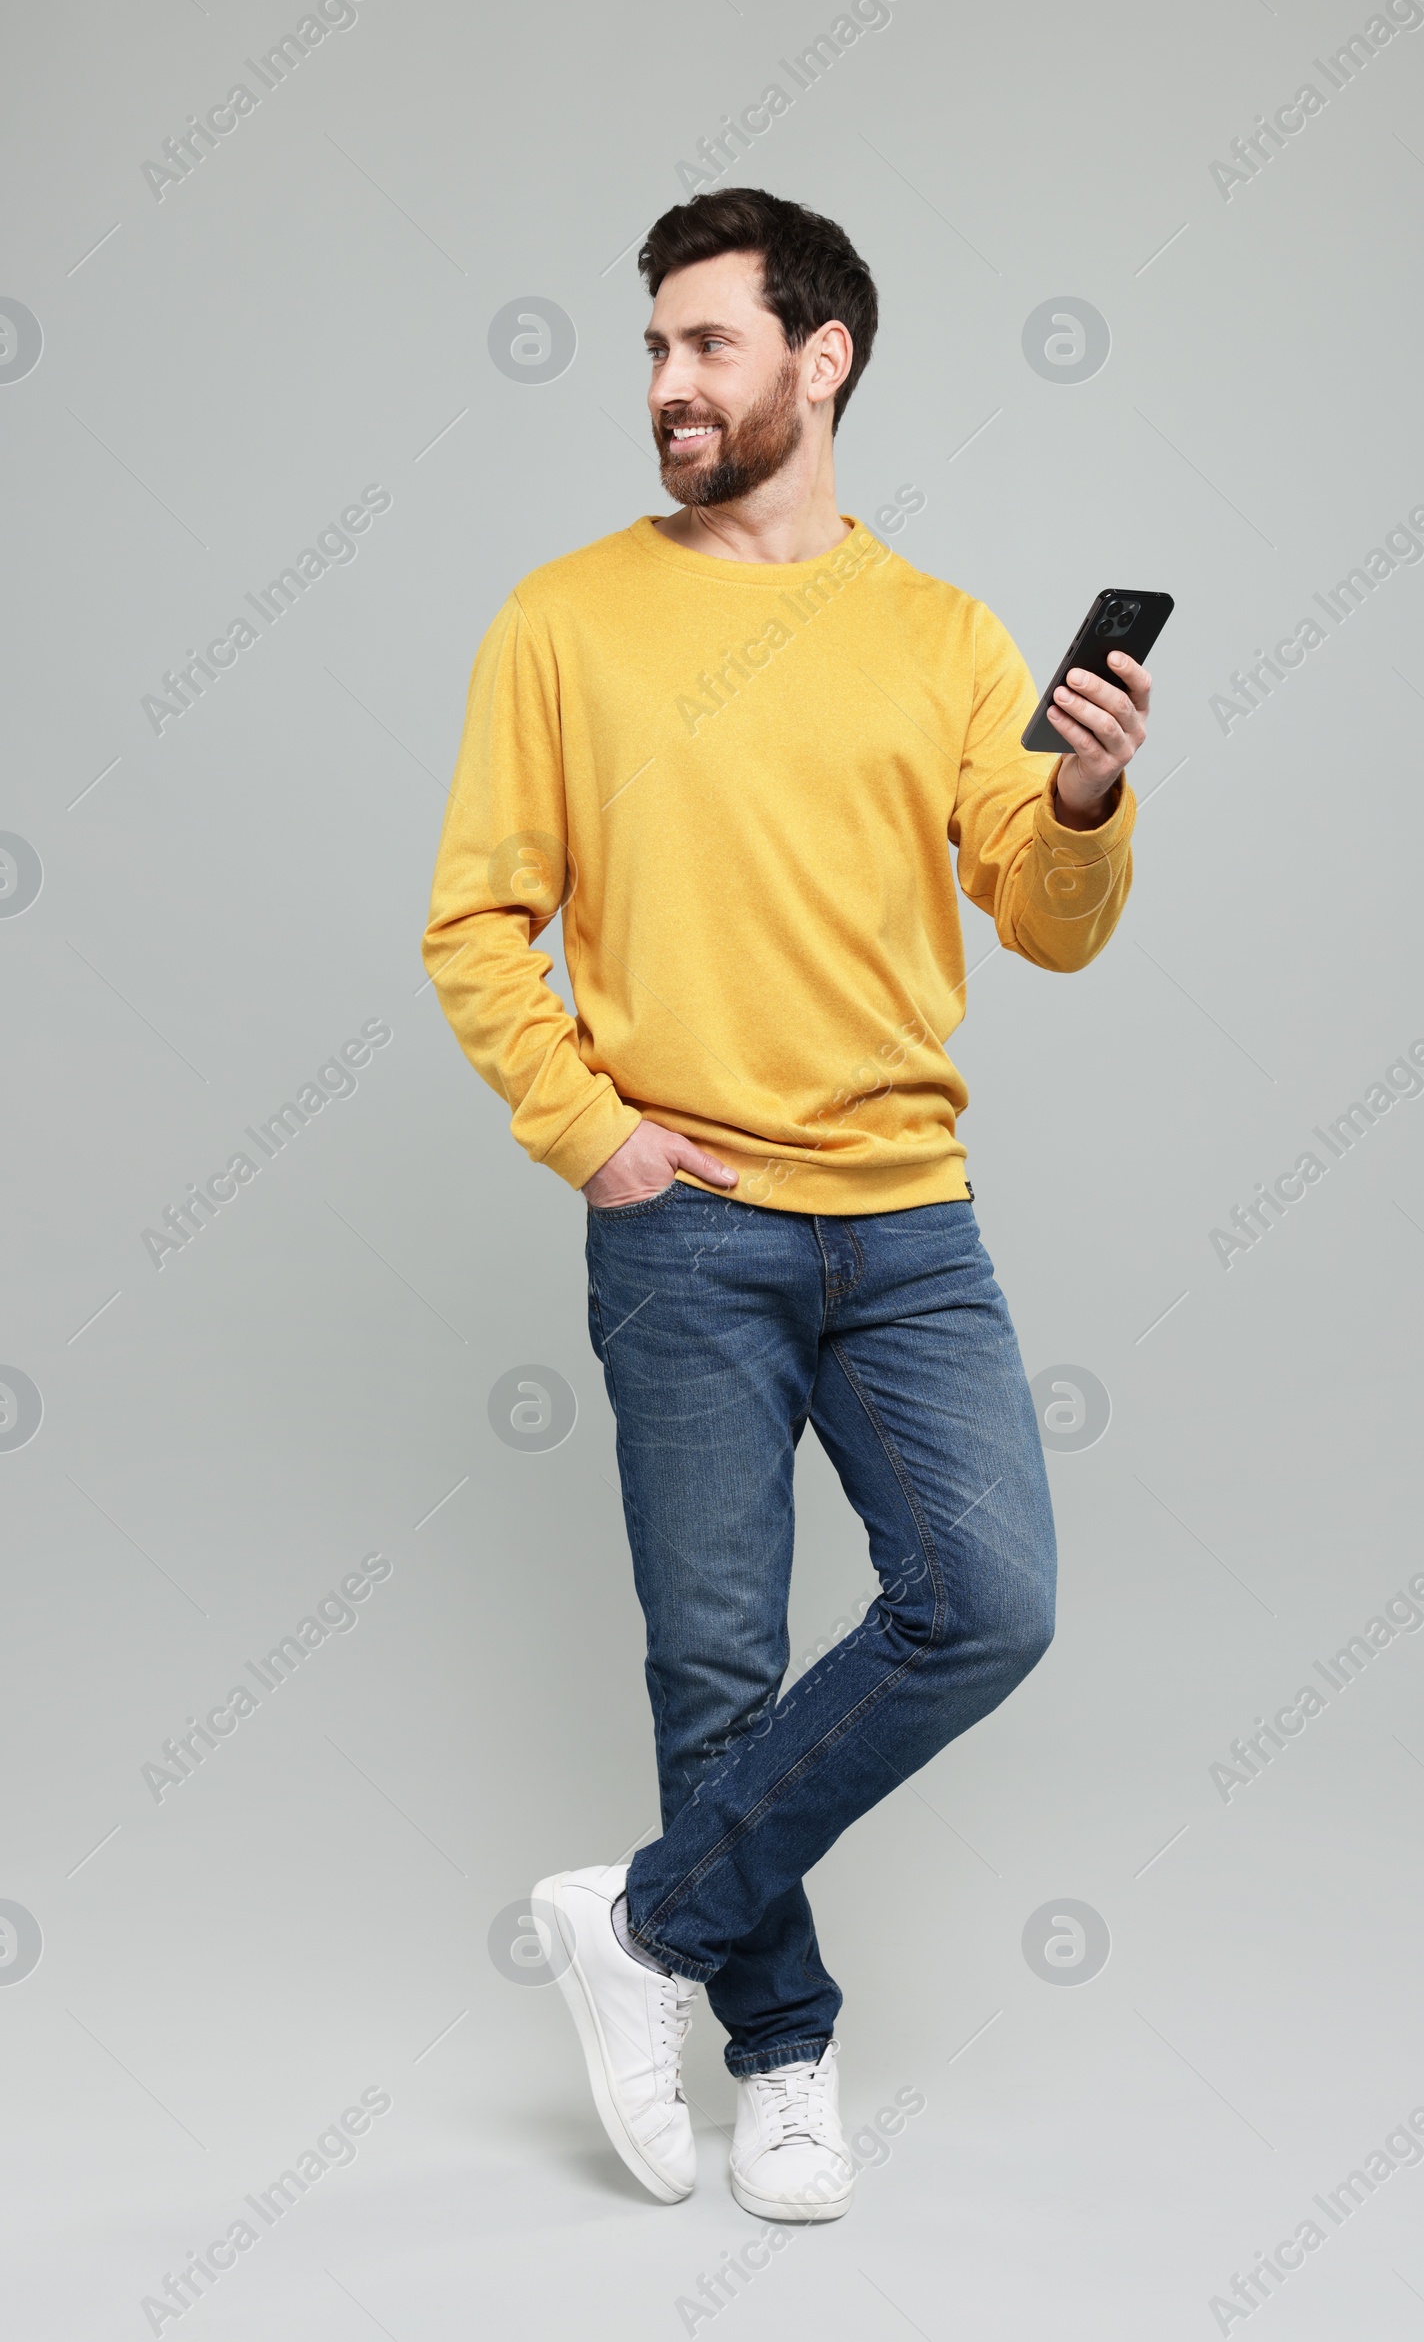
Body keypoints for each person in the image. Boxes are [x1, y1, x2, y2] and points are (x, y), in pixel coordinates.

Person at [422, 187, 1150, 2221]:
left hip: (909, 1221)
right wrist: (595, 1138)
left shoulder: (935, 631)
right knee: (711, 1665)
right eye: (651, 348)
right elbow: (478, 921)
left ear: (816, 359)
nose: (664, 384)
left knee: (984, 1602)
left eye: (704, 346)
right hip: (689, 1226)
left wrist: (1082, 796)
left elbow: (1044, 914)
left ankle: (636, 1919)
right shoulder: (560, 619)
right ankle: (784, 2054)